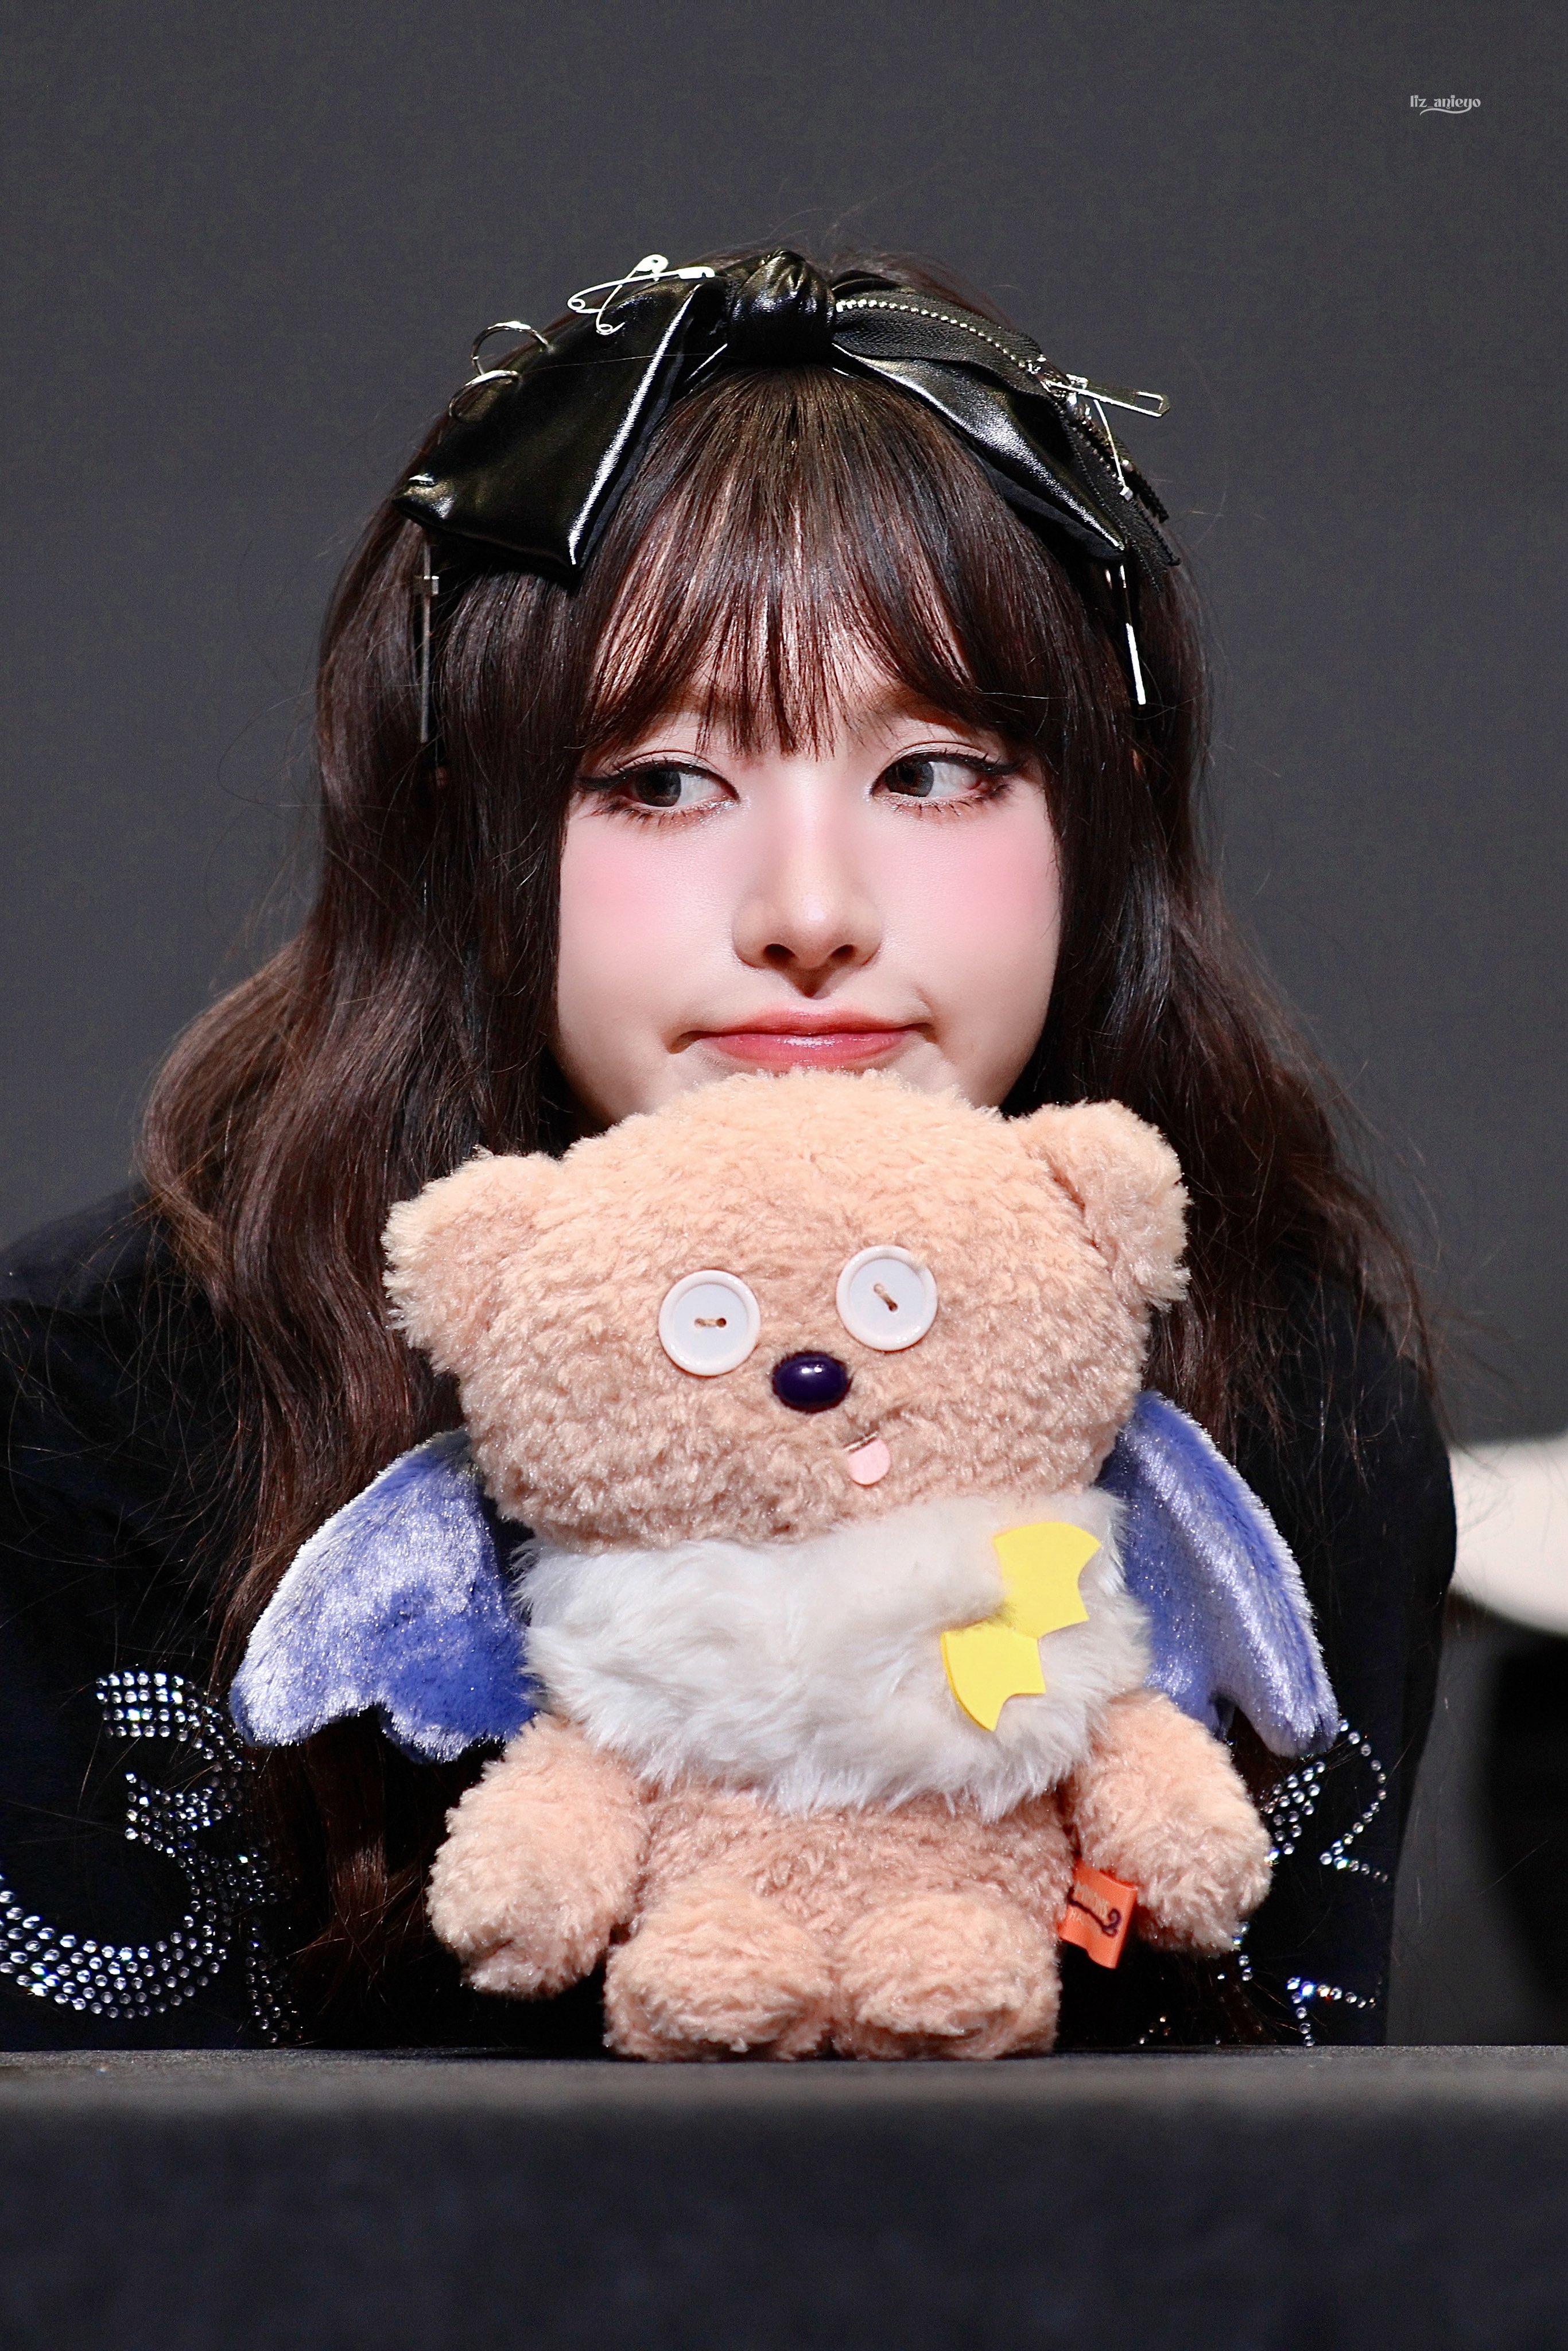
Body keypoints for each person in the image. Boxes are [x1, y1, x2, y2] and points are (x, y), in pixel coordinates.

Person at [0, 248, 1454, 2052]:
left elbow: (1287, 2169)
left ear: (1102, 809)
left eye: (934, 772)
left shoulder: (1284, 1393)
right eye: (659, 782)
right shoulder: (97, 1394)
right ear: (462, 819)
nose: (810, 913)